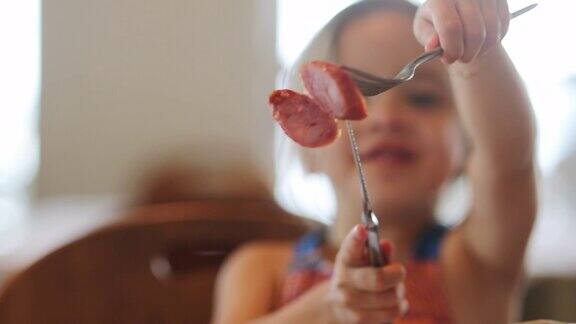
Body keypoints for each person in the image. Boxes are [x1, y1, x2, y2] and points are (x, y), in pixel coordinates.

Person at [212, 0, 536, 322]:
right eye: (352, 96)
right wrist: (328, 308)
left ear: (467, 147)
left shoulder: (474, 263)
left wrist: (473, 52)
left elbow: (509, 159)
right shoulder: (261, 268)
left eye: (422, 99)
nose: (388, 118)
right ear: (306, 148)